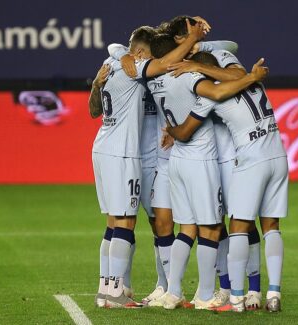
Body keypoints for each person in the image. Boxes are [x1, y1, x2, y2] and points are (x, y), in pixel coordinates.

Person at [147, 34, 269, 310]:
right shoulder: (198, 85)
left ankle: (174, 291)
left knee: (189, 228)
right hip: (207, 163)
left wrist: (173, 131)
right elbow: (218, 92)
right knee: (214, 228)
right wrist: (252, 77)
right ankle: (211, 293)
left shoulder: (160, 80)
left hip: (179, 160)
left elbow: (230, 47)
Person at [88, 20, 205, 308]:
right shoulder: (134, 68)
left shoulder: (111, 62)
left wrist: (117, 55)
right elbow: (164, 63)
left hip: (107, 149)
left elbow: (95, 107)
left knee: (117, 221)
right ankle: (116, 291)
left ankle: (111, 289)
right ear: (142, 54)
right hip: (125, 154)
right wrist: (192, 39)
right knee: (125, 221)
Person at [166, 52, 287, 313]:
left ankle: (236, 298)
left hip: (250, 161)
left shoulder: (211, 94)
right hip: (277, 155)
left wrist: (170, 130)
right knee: (271, 226)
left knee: (237, 227)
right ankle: (273, 293)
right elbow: (237, 75)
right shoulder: (251, 81)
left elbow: (185, 131)